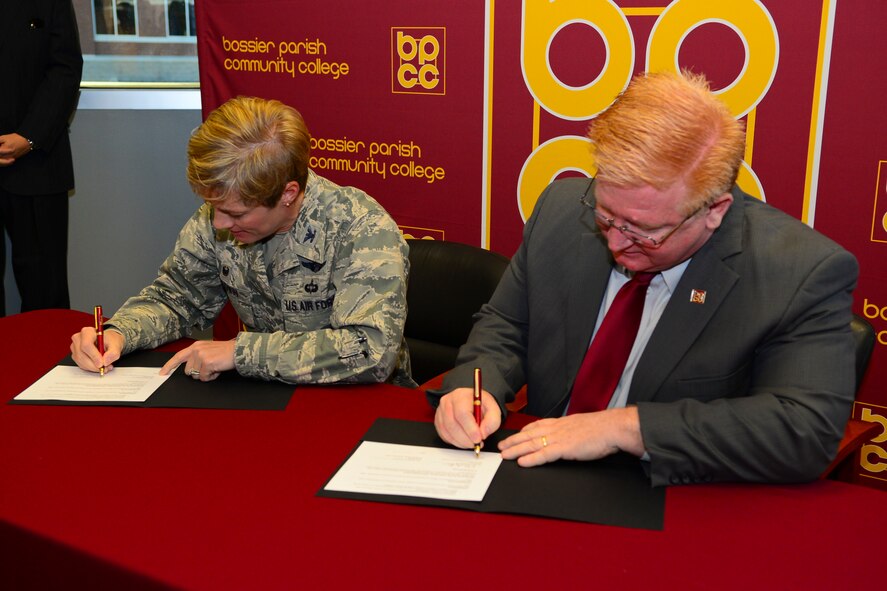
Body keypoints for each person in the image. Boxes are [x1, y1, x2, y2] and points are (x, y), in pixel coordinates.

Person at [428, 71, 858, 486]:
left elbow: (804, 430)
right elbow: (508, 325)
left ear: (715, 211)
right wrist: (474, 386)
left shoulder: (801, 272)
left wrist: (628, 428)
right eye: (606, 214)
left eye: (644, 230)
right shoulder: (561, 211)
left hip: (672, 496)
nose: (616, 242)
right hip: (538, 474)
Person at [71, 96, 414, 387]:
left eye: (236, 214)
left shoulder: (360, 229)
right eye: (214, 208)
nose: (219, 223)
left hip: (357, 409)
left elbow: (370, 349)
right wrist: (119, 334)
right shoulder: (219, 217)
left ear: (288, 194)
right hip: (264, 398)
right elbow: (176, 297)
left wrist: (241, 352)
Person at [0, 0, 83, 316]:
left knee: (45, 297)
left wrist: (30, 137)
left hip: (37, 162)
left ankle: (48, 366)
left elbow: (66, 66)